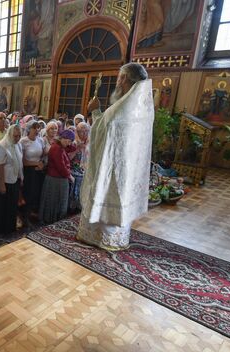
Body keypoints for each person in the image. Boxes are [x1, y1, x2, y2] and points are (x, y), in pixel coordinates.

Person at [78, 63, 154, 250]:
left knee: (106, 192)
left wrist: (95, 110)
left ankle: (98, 237)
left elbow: (101, 132)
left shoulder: (121, 109)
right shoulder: (140, 107)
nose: (118, 82)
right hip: (127, 168)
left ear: (125, 79)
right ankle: (117, 238)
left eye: (120, 77)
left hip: (113, 167)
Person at [0, 124, 23, 235]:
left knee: (12, 206)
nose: (17, 138)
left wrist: (21, 177)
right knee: (3, 206)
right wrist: (2, 184)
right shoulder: (2, 145)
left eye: (19, 136)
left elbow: (19, 162)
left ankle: (10, 228)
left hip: (14, 180)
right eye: (15, 136)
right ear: (9, 134)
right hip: (4, 181)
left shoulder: (17, 145)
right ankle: (1, 229)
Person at [39, 130, 76, 224]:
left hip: (59, 178)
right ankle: (52, 219)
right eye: (67, 140)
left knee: (59, 200)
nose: (69, 143)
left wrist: (75, 145)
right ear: (62, 138)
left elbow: (71, 148)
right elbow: (61, 166)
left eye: (70, 141)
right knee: (54, 200)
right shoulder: (56, 148)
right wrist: (69, 176)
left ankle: (56, 219)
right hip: (55, 179)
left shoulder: (60, 146)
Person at [20, 120, 46, 219]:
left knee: (37, 191)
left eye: (38, 128)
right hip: (28, 170)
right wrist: (36, 163)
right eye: (34, 128)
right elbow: (23, 160)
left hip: (38, 169)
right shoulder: (23, 141)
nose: (37, 130)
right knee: (28, 191)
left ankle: (33, 211)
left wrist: (41, 164)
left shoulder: (40, 140)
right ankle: (25, 214)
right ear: (28, 129)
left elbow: (43, 155)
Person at [70, 122, 90, 211]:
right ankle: (73, 206)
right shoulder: (73, 142)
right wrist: (78, 148)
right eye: (82, 131)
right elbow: (68, 157)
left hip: (86, 169)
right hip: (74, 169)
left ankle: (81, 205)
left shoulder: (90, 142)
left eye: (86, 131)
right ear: (77, 132)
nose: (84, 133)